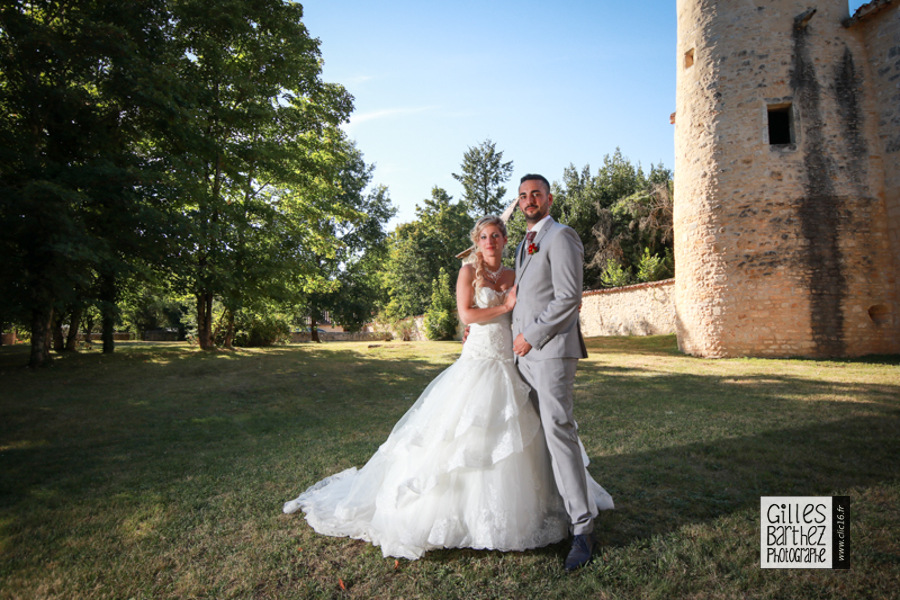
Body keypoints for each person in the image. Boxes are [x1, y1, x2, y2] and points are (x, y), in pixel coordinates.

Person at [282, 215, 612, 561]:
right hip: (479, 361)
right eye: (484, 236)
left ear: (504, 239)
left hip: (511, 361)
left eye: (496, 235)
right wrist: (503, 306)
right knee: (468, 434)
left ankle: (550, 506)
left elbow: (533, 306)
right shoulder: (469, 272)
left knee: (523, 433)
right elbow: (467, 315)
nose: (490, 241)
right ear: (477, 241)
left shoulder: (518, 270)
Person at [512, 173, 598, 571]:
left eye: (537, 194)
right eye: (524, 195)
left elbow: (569, 297)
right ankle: (555, 511)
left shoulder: (562, 235)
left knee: (559, 432)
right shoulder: (524, 242)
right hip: (522, 355)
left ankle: (583, 528)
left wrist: (531, 336)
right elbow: (523, 299)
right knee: (537, 438)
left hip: (550, 351)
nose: (530, 200)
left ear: (549, 198)